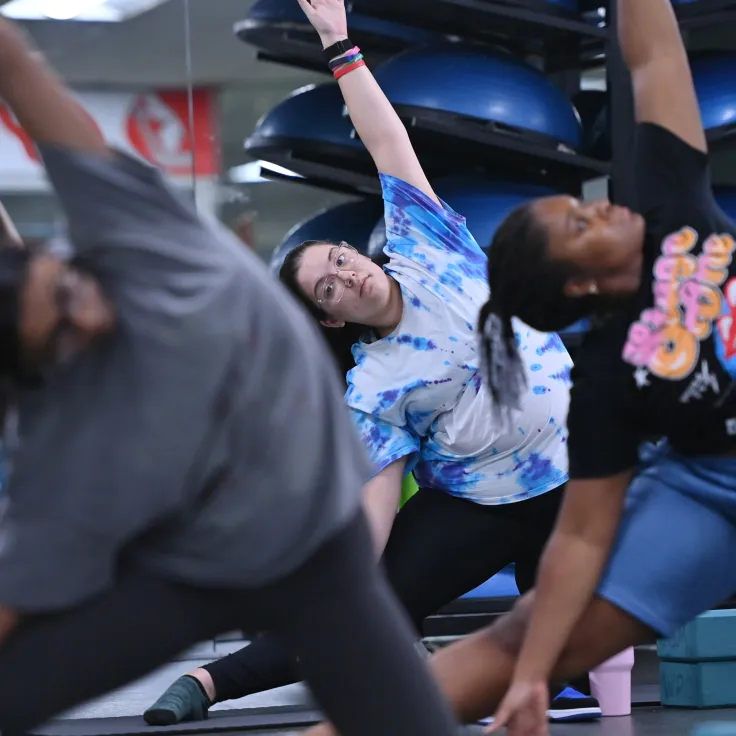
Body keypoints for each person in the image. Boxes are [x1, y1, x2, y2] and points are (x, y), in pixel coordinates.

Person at [143, 0, 600, 728]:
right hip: (480, 509)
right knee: (365, 611)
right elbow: (376, 503)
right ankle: (207, 681)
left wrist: (339, 42)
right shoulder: (374, 386)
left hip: (576, 477)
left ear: (359, 251)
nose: (346, 275)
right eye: (329, 286)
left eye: (340, 259)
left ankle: (552, 674)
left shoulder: (430, 246)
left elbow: (387, 141)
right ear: (332, 316)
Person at [0, 17, 462, 736]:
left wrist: (338, 41)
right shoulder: (60, 447)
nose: (81, 320)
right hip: (191, 565)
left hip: (317, 549)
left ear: (56, 259)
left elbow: (20, 72)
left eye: (64, 294)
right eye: (56, 338)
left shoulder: (133, 231)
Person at [373, 0, 736, 734]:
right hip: (709, 487)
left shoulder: (671, 207)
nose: (599, 209)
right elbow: (579, 536)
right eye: (579, 224)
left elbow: (654, 60)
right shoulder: (602, 377)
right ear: (580, 286)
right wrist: (537, 674)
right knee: (523, 635)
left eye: (582, 207)